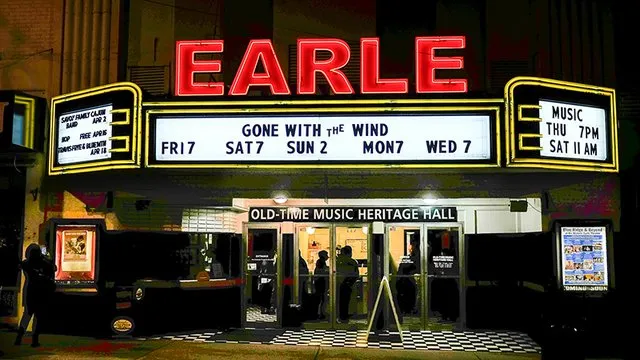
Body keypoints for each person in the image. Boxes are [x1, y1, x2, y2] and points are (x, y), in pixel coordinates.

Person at [14, 244, 57, 347]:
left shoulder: (26, 263)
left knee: (27, 315)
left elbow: (20, 265)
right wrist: (44, 256)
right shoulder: (43, 263)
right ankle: (34, 340)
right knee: (38, 316)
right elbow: (54, 268)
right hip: (40, 292)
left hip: (29, 291)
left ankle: (19, 338)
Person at [336, 246, 359, 322]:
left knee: (340, 301)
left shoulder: (338, 261)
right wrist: (350, 283)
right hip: (349, 284)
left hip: (339, 284)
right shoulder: (353, 262)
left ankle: (340, 316)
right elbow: (356, 274)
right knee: (347, 301)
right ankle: (345, 316)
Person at [314, 250, 329, 319]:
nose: (327, 256)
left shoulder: (321, 262)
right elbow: (322, 271)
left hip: (319, 282)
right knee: (321, 298)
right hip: (320, 283)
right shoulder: (321, 262)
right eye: (326, 254)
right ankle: (320, 313)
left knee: (321, 298)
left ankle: (320, 313)